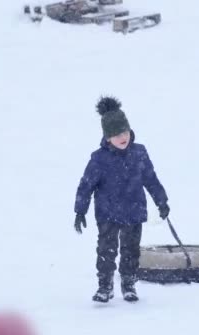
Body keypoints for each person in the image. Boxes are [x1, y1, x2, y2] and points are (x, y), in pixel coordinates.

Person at [73, 96, 170, 303]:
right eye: (117, 134)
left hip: (134, 212)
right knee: (106, 251)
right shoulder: (99, 158)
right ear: (108, 137)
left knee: (130, 251)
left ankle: (128, 284)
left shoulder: (139, 153)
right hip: (107, 213)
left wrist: (161, 201)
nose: (123, 137)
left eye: (124, 131)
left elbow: (150, 179)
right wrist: (80, 210)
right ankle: (105, 286)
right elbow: (86, 184)